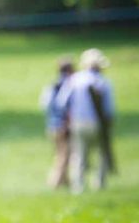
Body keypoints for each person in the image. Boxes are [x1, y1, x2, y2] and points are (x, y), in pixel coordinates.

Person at [56, 48, 115, 194]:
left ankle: (79, 186)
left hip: (79, 122)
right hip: (99, 123)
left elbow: (62, 102)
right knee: (101, 153)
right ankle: (99, 184)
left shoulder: (75, 79)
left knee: (80, 154)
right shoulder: (104, 82)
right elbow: (109, 108)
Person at [39, 57, 74, 189]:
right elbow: (64, 105)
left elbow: (44, 105)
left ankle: (65, 181)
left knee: (59, 153)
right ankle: (55, 182)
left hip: (51, 125)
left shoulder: (51, 85)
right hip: (63, 125)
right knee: (64, 155)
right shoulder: (69, 84)